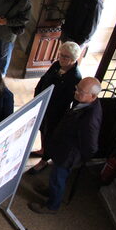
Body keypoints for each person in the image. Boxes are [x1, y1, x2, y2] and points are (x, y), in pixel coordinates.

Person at [29, 77, 103, 214]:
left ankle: (52, 206)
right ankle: (50, 192)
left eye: (81, 91)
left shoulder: (90, 119)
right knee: (54, 176)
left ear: (92, 96)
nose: (76, 92)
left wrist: (78, 157)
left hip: (68, 154)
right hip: (62, 147)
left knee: (58, 179)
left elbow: (91, 147)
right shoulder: (83, 102)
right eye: (77, 88)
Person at [29, 41, 82, 174]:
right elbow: (43, 80)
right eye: (60, 55)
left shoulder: (75, 77)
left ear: (74, 59)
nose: (61, 59)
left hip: (56, 112)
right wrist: (37, 97)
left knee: (50, 135)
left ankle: (44, 160)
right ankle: (42, 150)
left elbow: (70, 99)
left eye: (66, 57)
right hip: (43, 105)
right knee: (42, 128)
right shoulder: (56, 65)